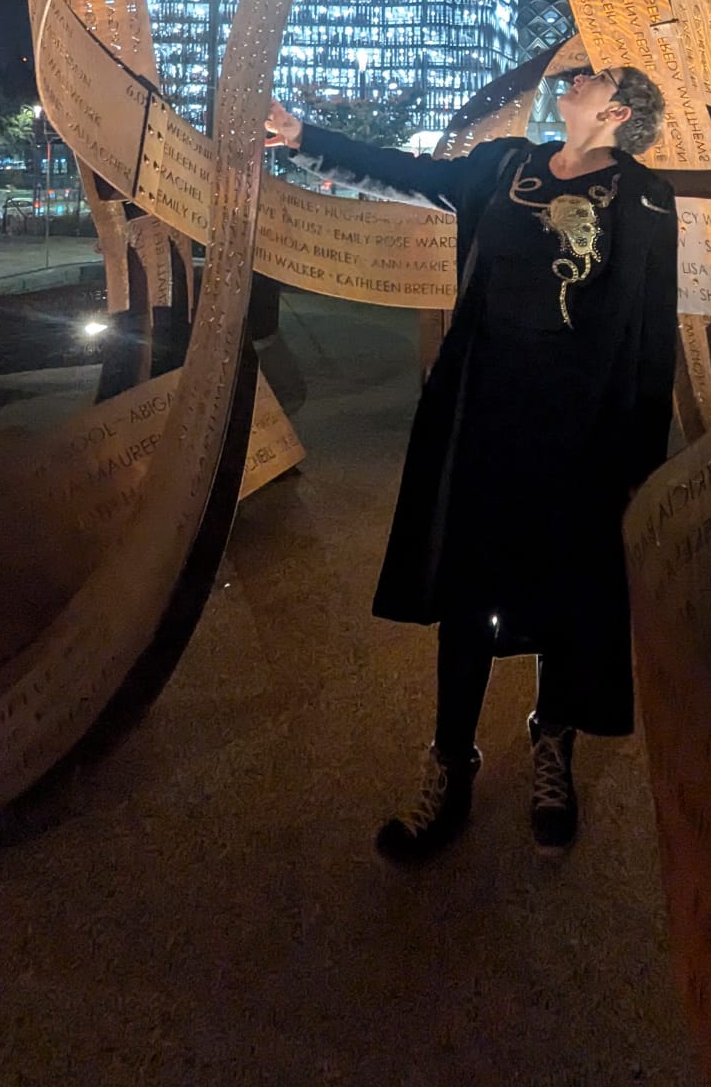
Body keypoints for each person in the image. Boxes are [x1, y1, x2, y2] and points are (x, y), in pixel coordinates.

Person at [265, 64, 678, 862]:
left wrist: (638, 456)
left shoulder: (646, 199)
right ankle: (451, 760)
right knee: (468, 584)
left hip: (578, 425)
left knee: (564, 585)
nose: (579, 76)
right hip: (483, 409)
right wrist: (306, 139)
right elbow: (413, 175)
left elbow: (650, 336)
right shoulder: (507, 165)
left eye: (599, 78)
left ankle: (552, 743)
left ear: (617, 111)